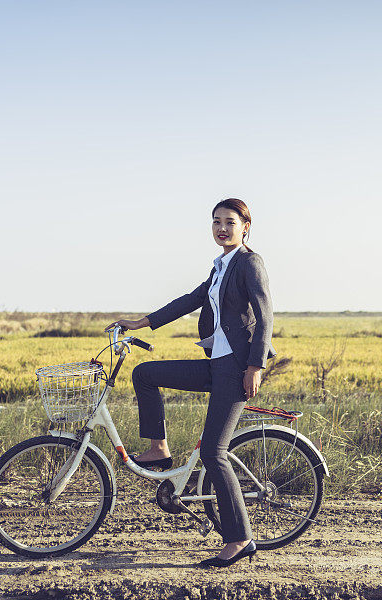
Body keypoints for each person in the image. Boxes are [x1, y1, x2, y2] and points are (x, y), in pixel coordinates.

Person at [106, 198, 276, 568]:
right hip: (215, 364)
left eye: (229, 222)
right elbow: (188, 301)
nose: (221, 228)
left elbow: (265, 318)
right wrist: (141, 322)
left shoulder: (250, 263)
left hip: (235, 367)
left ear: (246, 226)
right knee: (145, 374)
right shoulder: (219, 267)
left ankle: (239, 539)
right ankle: (159, 449)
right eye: (216, 221)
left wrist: (255, 366)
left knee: (214, 452)